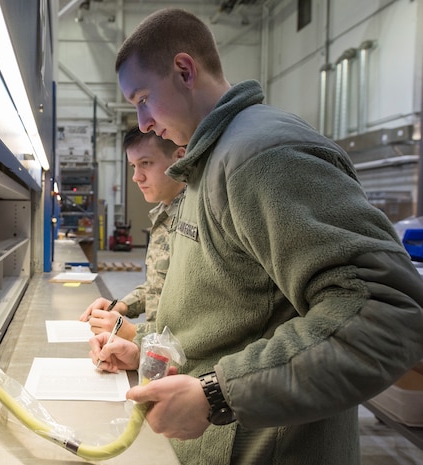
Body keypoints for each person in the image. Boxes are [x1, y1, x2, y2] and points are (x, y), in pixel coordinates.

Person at [88, 8, 423, 465]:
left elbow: (388, 314)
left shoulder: (262, 155)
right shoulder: (208, 164)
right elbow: (226, 313)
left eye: (144, 98)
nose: (143, 122)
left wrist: (217, 395)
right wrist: (146, 351)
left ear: (185, 70)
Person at [79, 127, 185, 341]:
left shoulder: (194, 221)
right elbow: (160, 287)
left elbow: (197, 317)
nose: (136, 177)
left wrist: (133, 334)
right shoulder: (163, 215)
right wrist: (122, 305)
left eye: (146, 163)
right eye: (133, 166)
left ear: (179, 158)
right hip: (158, 353)